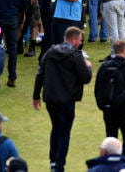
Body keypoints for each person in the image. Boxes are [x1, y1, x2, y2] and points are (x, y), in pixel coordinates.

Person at [33, 26, 93, 172]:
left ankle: (53, 161)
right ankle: (59, 165)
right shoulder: (76, 55)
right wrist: (88, 66)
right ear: (73, 40)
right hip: (66, 100)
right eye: (80, 40)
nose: (81, 43)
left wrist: (36, 96)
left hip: (51, 98)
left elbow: (40, 74)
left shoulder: (50, 52)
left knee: (56, 129)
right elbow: (86, 78)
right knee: (64, 132)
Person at [94, 39, 125, 158]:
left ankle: (112, 162)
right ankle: (120, 161)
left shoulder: (104, 67)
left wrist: (102, 105)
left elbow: (97, 88)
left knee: (111, 139)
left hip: (109, 108)